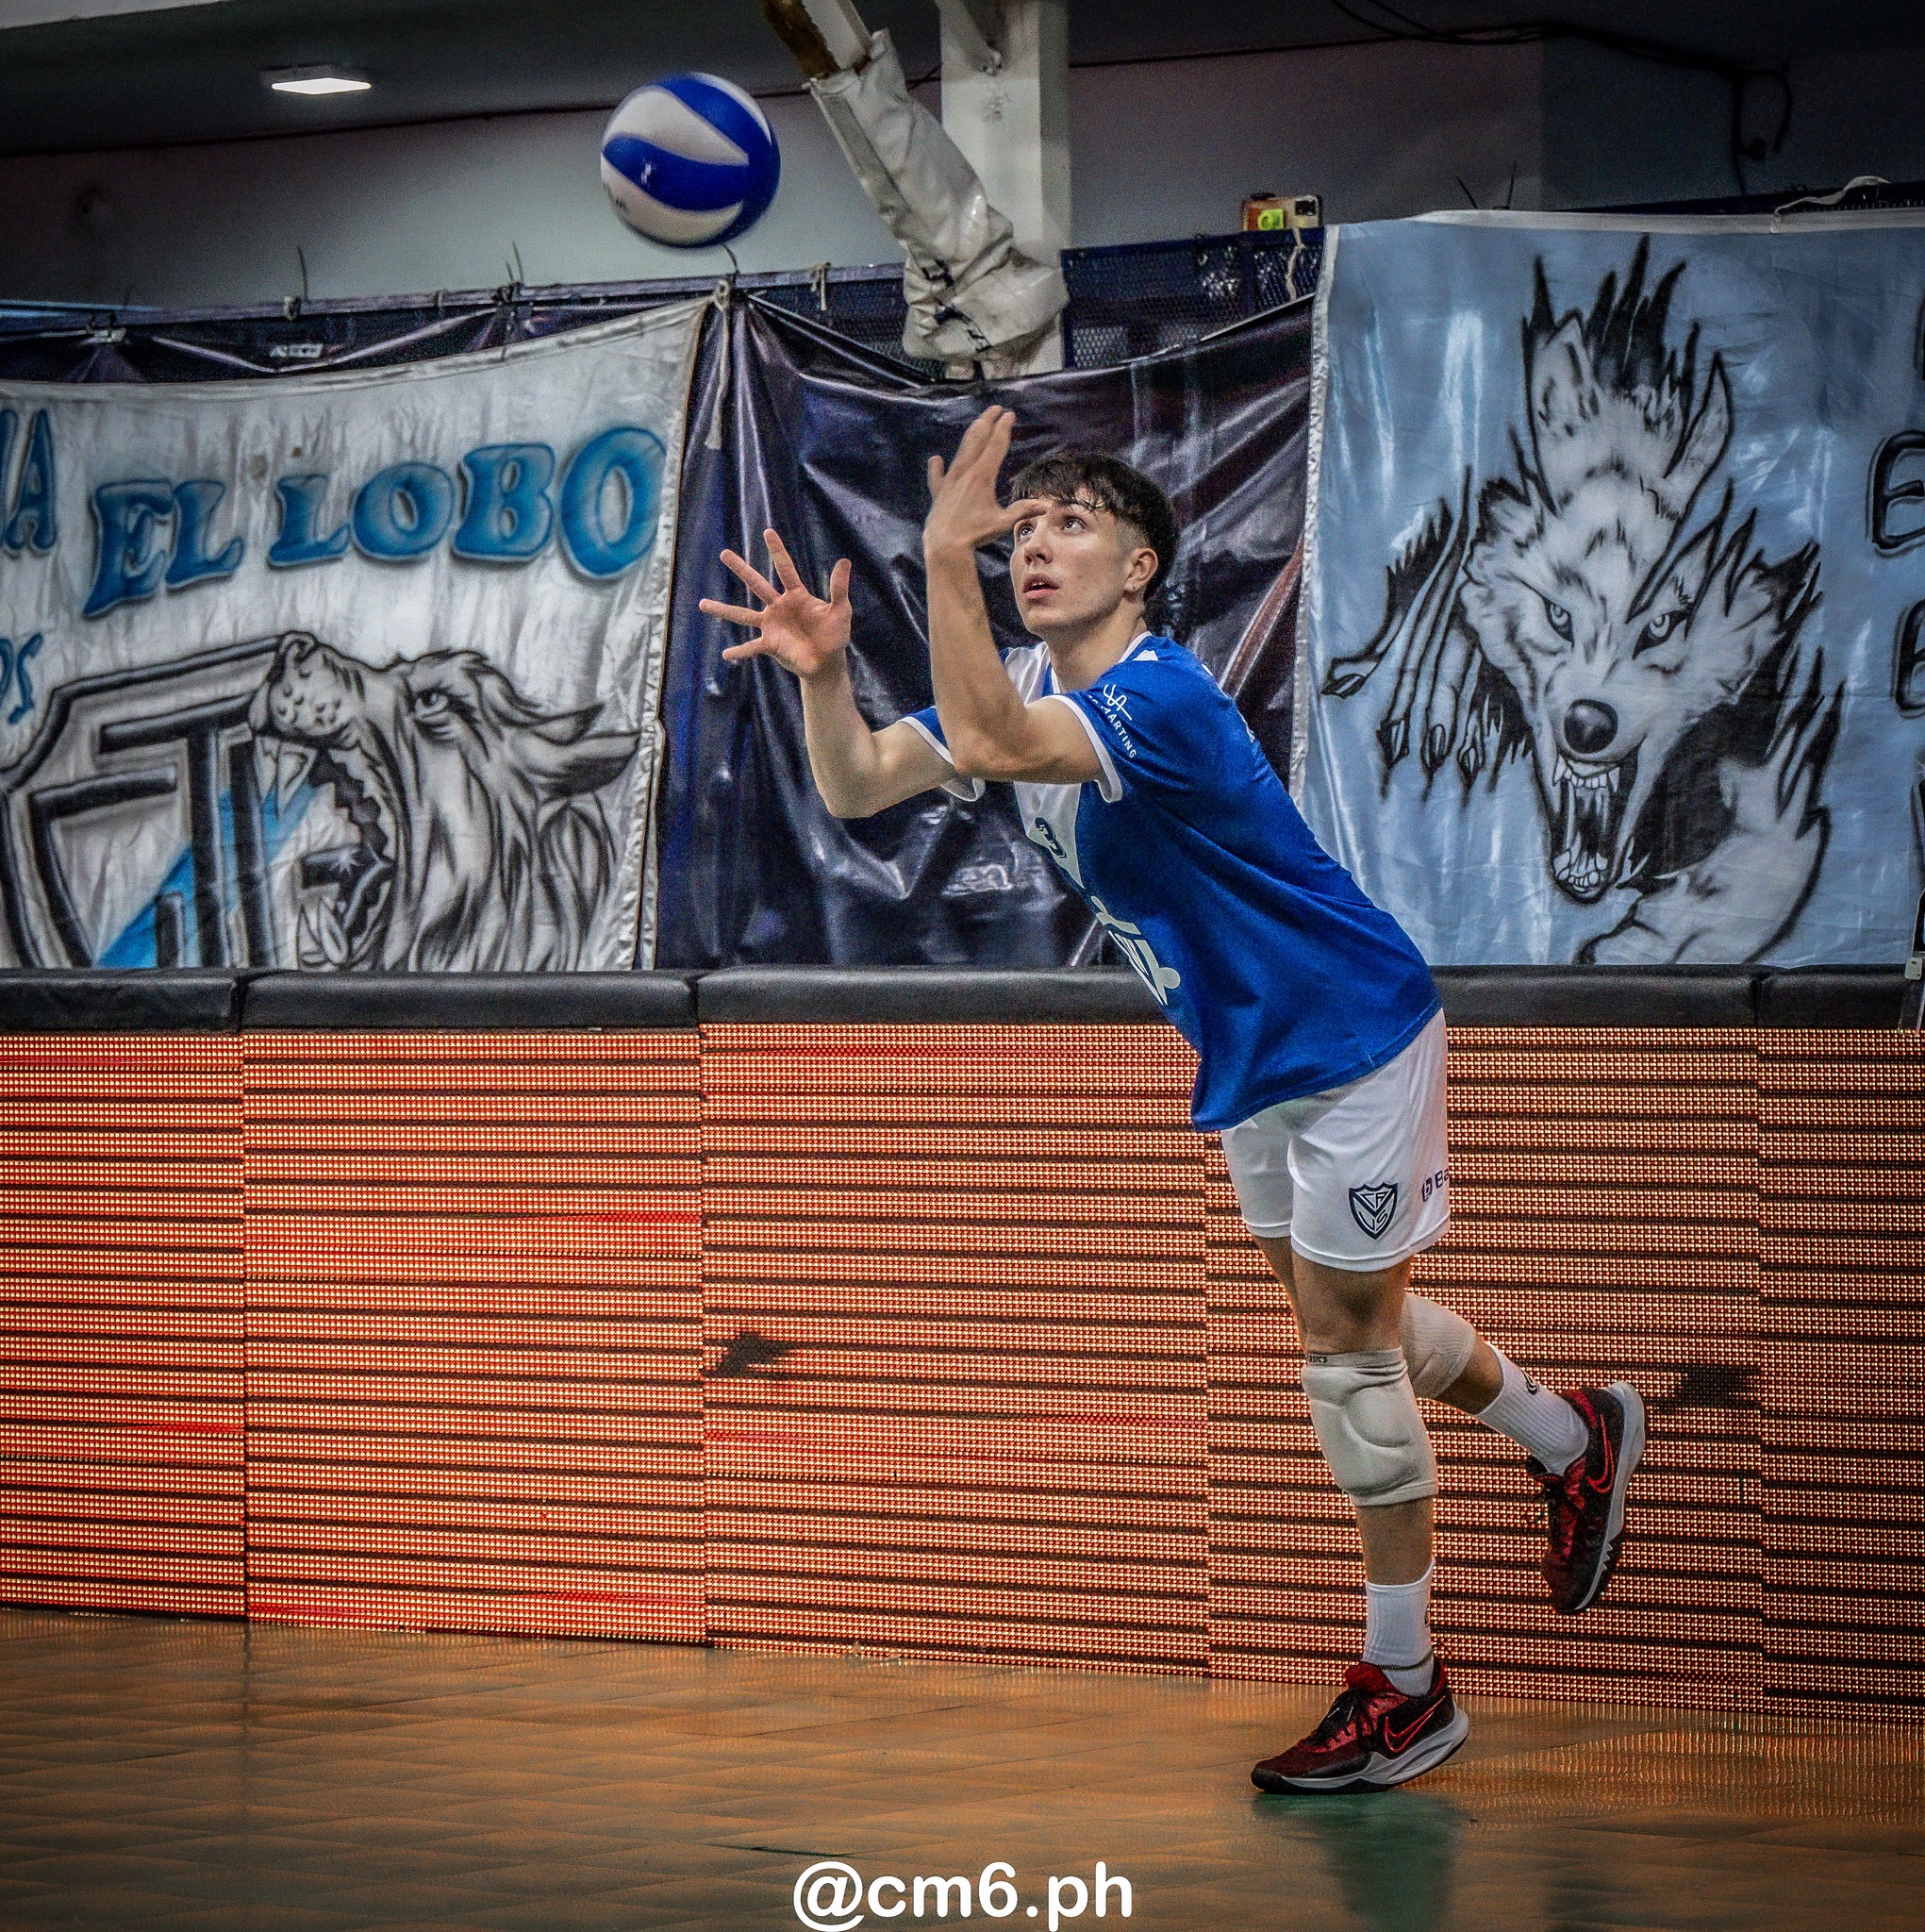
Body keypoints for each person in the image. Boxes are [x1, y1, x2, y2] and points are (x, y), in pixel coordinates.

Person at [699, 406, 1646, 1794]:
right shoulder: (1031, 683)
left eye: (1069, 523)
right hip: (1250, 1054)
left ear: (1140, 567)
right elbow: (855, 786)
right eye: (1020, 527)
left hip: (1351, 1038)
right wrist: (826, 674)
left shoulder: (1164, 698)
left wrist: (947, 561)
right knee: (1351, 1317)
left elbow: (993, 739)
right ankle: (1573, 1437)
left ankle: (1407, 1689)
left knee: (1345, 1365)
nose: (1034, 545)